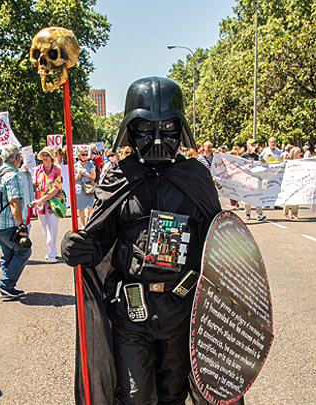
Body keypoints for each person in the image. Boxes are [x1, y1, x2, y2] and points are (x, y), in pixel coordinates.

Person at [61, 76, 230, 405]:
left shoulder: (195, 177)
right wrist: (79, 246)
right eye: (145, 129)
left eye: (166, 129)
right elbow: (99, 241)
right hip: (131, 310)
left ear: (180, 130)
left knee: (172, 396)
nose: (156, 139)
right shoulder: (118, 177)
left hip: (182, 309)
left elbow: (217, 239)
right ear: (129, 129)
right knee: (135, 397)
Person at [0, 144, 33, 298]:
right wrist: (22, 225)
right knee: (23, 251)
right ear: (17, 158)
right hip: (9, 224)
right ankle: (5, 284)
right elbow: (14, 203)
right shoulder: (13, 176)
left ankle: (7, 288)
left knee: (7, 254)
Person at [31, 147, 62, 263]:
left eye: (46, 155)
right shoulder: (38, 170)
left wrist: (41, 200)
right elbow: (33, 184)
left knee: (52, 228)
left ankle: (51, 253)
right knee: (45, 229)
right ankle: (51, 249)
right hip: (40, 205)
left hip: (53, 203)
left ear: (51, 157)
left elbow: (55, 189)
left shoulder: (56, 170)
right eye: (43, 155)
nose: (44, 158)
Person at [73, 146, 96, 229]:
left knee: (90, 206)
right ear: (79, 155)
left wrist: (84, 173)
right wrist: (78, 174)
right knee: (81, 207)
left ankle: (89, 222)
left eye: (86, 154)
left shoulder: (90, 164)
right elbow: (73, 179)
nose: (84, 156)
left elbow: (93, 176)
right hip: (79, 187)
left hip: (89, 186)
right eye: (83, 154)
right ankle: (82, 224)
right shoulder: (75, 165)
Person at [284, 147, 301, 220]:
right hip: (289, 181)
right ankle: (286, 210)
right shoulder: (288, 161)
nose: (300, 154)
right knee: (289, 196)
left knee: (296, 197)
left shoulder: (301, 161)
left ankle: (294, 213)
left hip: (298, 181)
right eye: (298, 152)